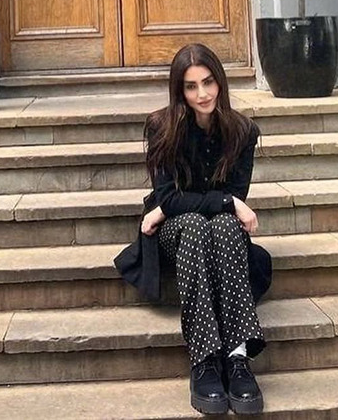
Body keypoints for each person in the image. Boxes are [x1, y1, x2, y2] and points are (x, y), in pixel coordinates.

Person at [114, 43, 271, 415]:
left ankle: (237, 357)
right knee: (198, 224)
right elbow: (171, 198)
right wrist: (224, 202)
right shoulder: (161, 127)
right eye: (191, 86)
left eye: (208, 82)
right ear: (179, 91)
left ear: (220, 83)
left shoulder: (242, 131)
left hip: (220, 232)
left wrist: (221, 203)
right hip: (177, 234)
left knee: (224, 226)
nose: (202, 94)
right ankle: (204, 360)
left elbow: (228, 198)